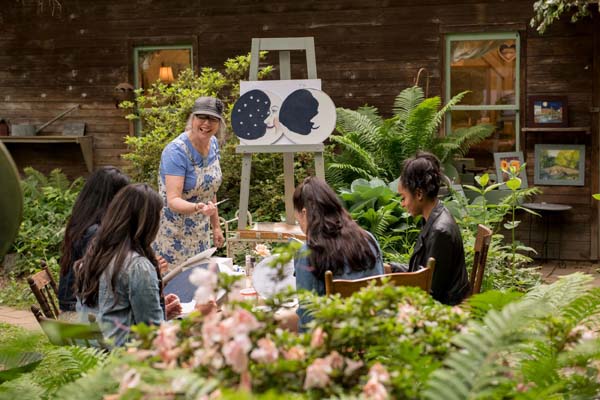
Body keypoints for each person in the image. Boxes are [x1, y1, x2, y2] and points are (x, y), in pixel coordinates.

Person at [74, 184, 182, 347]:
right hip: (122, 361)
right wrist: (200, 317)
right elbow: (154, 334)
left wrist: (160, 310)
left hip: (89, 357)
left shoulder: (94, 256)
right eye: (159, 219)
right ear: (147, 224)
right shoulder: (138, 266)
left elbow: (109, 313)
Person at [293, 176, 384, 330]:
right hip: (374, 334)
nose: (300, 227)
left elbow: (309, 318)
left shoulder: (309, 252)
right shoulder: (368, 239)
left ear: (305, 213)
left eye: (298, 221)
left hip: (335, 343)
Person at [153, 96, 226, 268]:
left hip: (200, 233)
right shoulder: (176, 151)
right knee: (176, 288)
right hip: (173, 234)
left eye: (213, 119)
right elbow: (173, 200)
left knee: (199, 285)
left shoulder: (213, 144)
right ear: (192, 118)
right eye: (202, 117)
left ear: (219, 123)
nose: (206, 123)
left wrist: (216, 227)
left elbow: (210, 189)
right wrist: (198, 208)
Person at [397, 152, 469, 305]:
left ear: (419, 194)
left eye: (403, 198)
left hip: (445, 311)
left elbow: (431, 292)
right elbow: (424, 273)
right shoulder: (434, 217)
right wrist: (392, 269)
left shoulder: (439, 231)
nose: (402, 204)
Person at [58, 166, 130, 313]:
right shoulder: (94, 232)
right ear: (111, 197)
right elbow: (101, 281)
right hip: (78, 309)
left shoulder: (83, 221)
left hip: (74, 302)